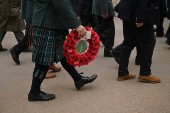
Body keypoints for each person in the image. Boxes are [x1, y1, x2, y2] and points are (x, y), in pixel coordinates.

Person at [28, 0, 97, 101]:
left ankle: (78, 79)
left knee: (63, 53)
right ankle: (34, 92)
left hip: (51, 23)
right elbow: (61, 3)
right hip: (47, 23)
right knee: (43, 60)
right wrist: (77, 25)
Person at [9, 0, 60, 79]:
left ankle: (49, 64)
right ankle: (43, 70)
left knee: (37, 38)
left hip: (36, 11)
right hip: (36, 13)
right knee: (39, 41)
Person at [117, 0, 161, 83]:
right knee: (148, 42)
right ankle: (145, 73)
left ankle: (122, 73)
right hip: (137, 11)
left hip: (128, 11)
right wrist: (140, 17)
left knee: (128, 42)